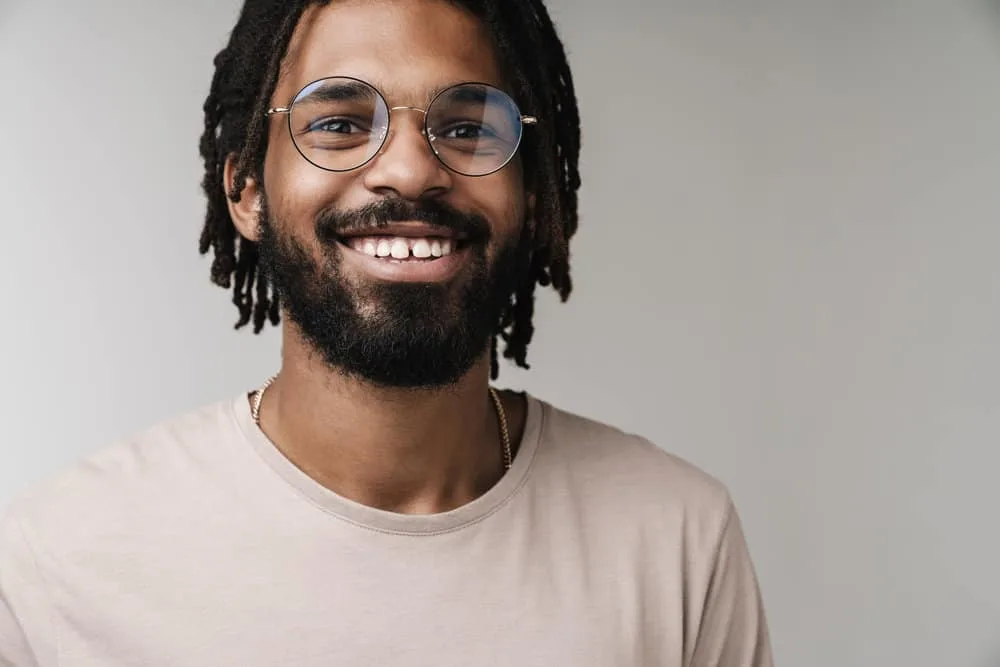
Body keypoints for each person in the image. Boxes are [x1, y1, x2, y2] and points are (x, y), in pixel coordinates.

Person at [0, 1, 773, 665]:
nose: (408, 171)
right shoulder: (57, 560)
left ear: (533, 194)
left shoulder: (676, 540)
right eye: (337, 122)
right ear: (244, 188)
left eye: (467, 127)